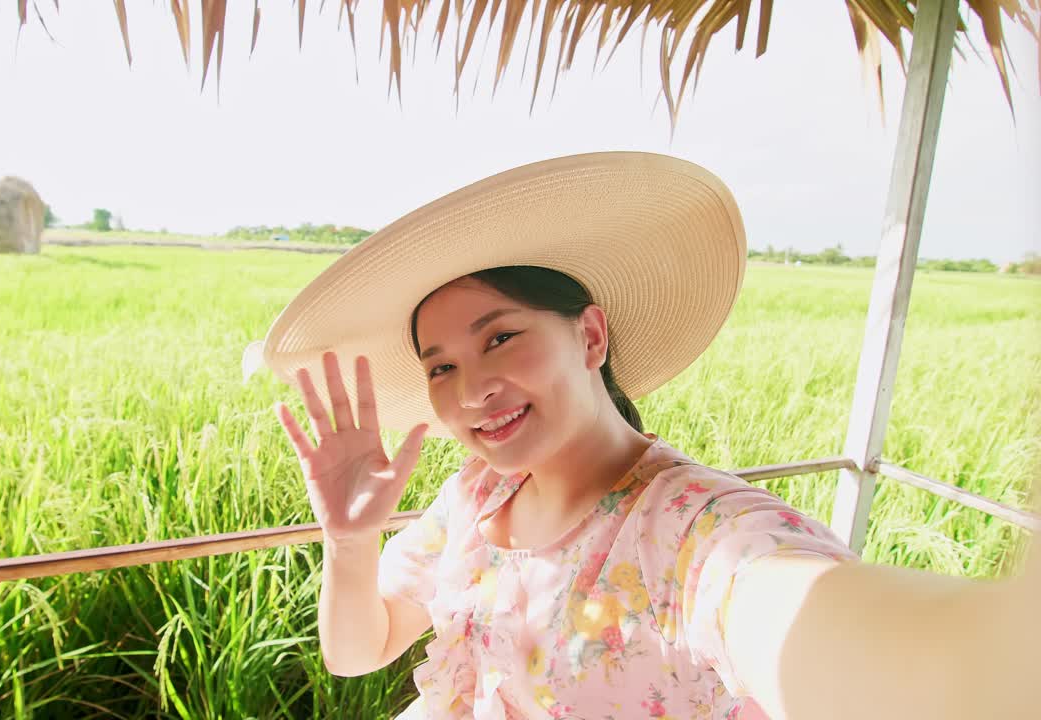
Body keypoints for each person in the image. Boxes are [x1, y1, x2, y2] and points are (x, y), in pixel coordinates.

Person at [256, 153, 1037, 720]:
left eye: (500, 340)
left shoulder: (691, 531)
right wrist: (350, 541)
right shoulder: (474, 496)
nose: (471, 393)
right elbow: (359, 651)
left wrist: (984, 662)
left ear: (590, 335)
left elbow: (816, 626)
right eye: (440, 368)